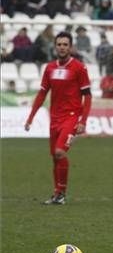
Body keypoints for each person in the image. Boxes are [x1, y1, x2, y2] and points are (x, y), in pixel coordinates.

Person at [24, 31, 92, 205]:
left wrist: (82, 121)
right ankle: (57, 194)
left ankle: (61, 194)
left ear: (70, 47)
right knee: (55, 157)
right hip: (54, 118)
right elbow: (42, 93)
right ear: (55, 46)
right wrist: (31, 116)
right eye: (59, 44)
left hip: (71, 117)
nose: (62, 47)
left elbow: (88, 96)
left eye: (65, 44)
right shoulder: (50, 68)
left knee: (60, 152)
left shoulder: (79, 67)